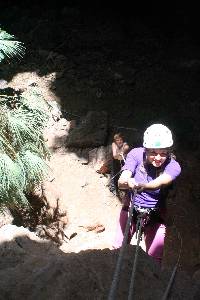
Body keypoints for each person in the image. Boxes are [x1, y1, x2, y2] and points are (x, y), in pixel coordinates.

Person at [112, 124, 181, 264]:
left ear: (168, 152)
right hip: (131, 208)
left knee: (155, 259)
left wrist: (144, 186)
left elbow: (160, 182)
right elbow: (122, 180)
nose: (158, 158)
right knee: (117, 250)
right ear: (146, 150)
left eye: (163, 153)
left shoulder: (173, 166)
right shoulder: (136, 154)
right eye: (153, 153)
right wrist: (128, 182)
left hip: (155, 215)